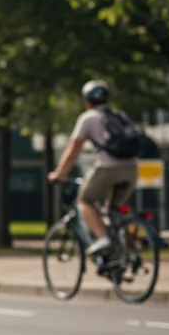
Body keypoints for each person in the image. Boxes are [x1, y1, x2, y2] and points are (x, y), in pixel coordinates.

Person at [48, 80, 141, 257]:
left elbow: (73, 150)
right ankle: (128, 252)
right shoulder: (119, 115)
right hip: (132, 170)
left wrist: (59, 174)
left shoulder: (88, 118)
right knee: (113, 210)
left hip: (107, 169)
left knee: (85, 200)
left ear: (87, 101)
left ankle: (103, 238)